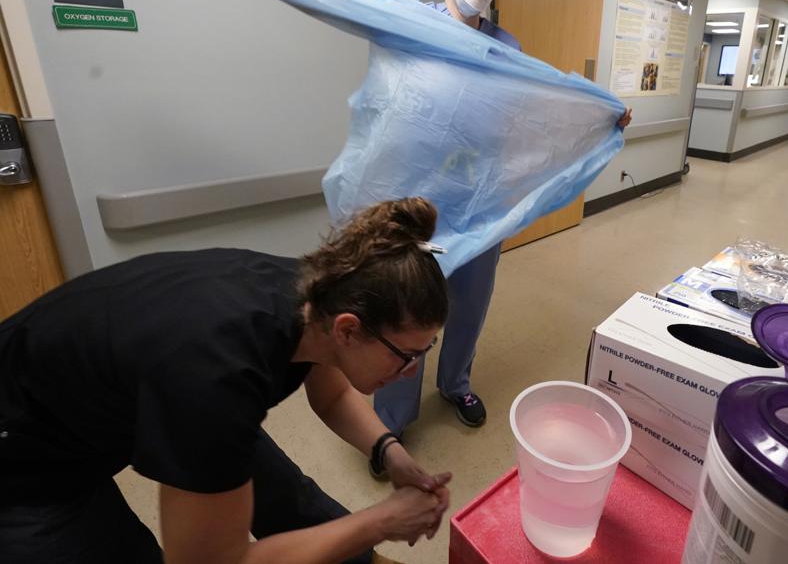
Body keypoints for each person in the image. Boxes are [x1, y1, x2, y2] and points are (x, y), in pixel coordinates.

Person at [0, 198, 453, 564]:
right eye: (406, 355)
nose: (411, 371)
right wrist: (381, 521)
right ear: (349, 330)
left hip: (108, 393)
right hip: (23, 462)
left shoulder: (316, 293)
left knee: (274, 484)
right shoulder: (214, 383)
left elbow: (331, 394)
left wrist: (389, 452)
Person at [372, 0, 632, 441]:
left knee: (470, 301)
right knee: (408, 306)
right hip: (416, 198)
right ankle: (392, 417)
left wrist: (601, 114)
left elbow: (542, 97)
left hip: (480, 199)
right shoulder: (410, 23)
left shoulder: (505, 45)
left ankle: (455, 383)